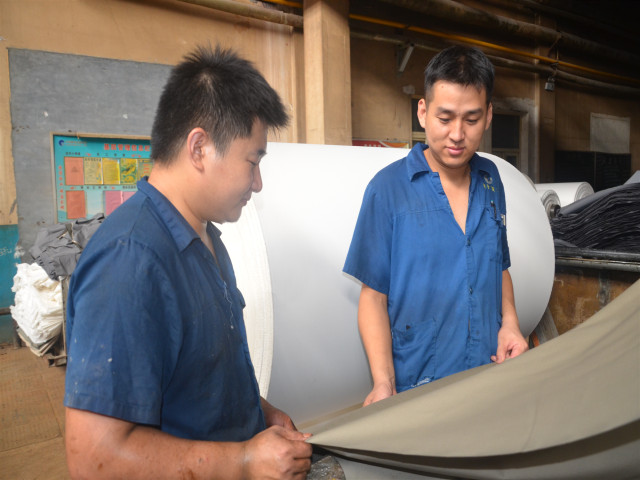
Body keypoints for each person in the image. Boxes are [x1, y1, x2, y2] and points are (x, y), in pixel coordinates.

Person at [64, 45, 312, 479]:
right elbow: (93, 457)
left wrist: (259, 412)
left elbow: (199, 377)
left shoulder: (205, 238)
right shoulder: (130, 260)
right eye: (252, 161)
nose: (257, 183)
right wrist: (244, 462)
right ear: (199, 148)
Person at [343, 45, 529, 407]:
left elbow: (500, 266)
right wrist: (383, 382)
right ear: (423, 112)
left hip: (488, 372)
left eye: (471, 119)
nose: (457, 134)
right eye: (445, 118)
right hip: (419, 387)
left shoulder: (491, 179)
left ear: (489, 116)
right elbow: (373, 297)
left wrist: (510, 323)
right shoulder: (388, 189)